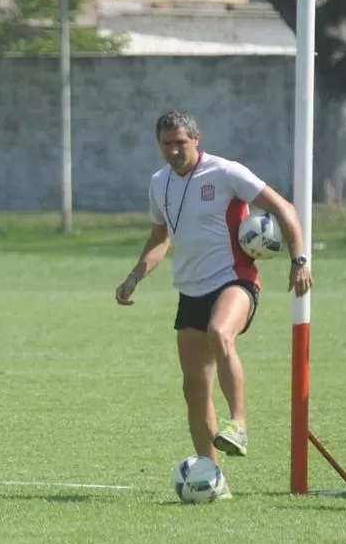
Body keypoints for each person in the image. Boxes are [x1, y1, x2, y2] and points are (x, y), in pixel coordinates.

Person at [115, 110, 313, 491]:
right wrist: (134, 276)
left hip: (234, 281)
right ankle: (210, 476)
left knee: (220, 333)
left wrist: (299, 259)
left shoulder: (226, 172)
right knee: (194, 389)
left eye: (180, 143)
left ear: (196, 139)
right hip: (190, 290)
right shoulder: (160, 183)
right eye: (166, 144)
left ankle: (238, 425)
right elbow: (160, 239)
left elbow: (283, 208)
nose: (173, 151)